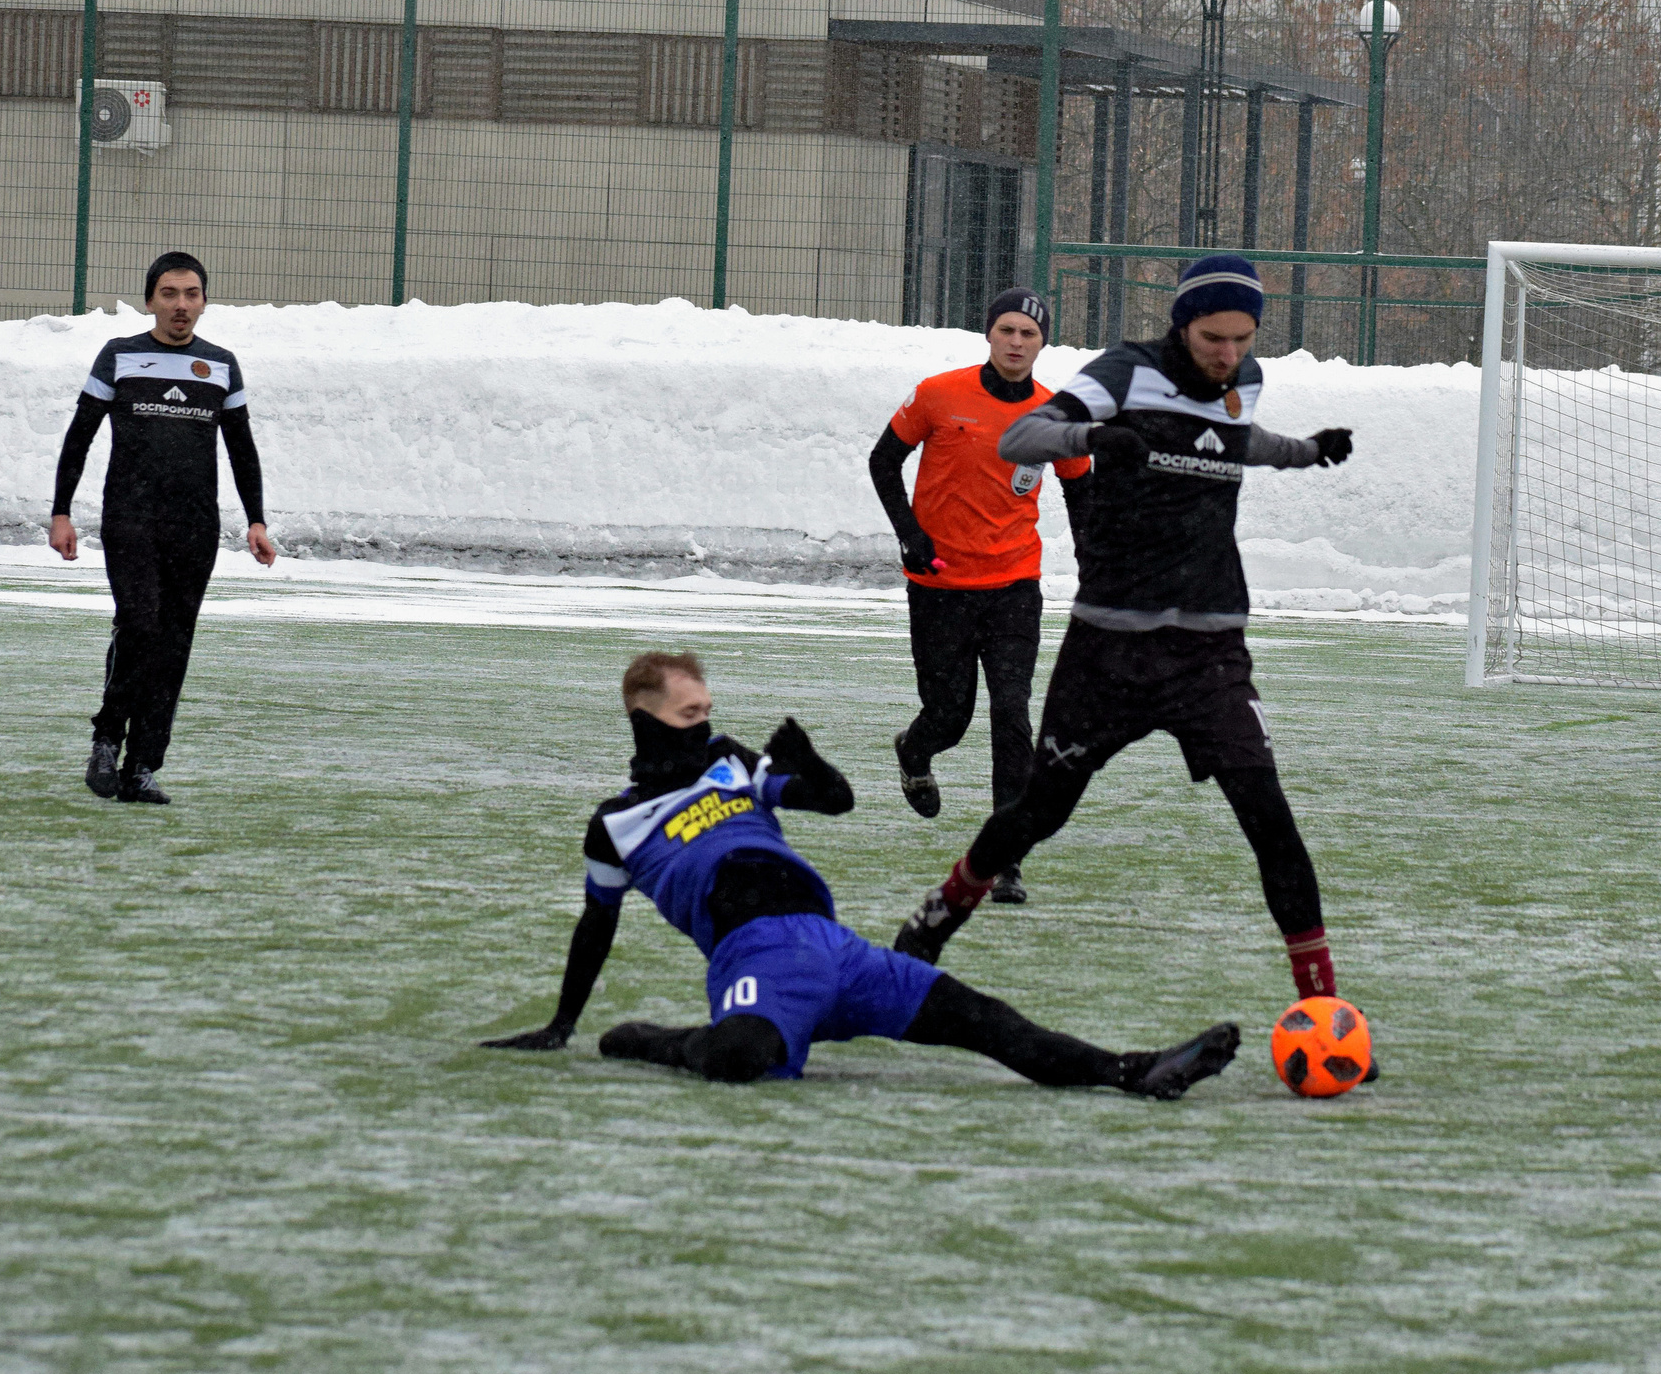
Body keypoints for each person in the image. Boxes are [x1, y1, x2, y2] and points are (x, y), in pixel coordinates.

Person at [890, 255, 1355, 1003]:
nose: (1228, 355)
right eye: (1213, 337)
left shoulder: (1244, 380)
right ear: (1181, 322)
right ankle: (933, 923)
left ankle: (1323, 1001)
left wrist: (1306, 451)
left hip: (1210, 650)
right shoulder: (1124, 373)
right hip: (1109, 647)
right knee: (1038, 812)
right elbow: (1022, 439)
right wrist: (1091, 440)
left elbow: (1237, 441)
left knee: (1270, 818)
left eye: (1243, 338)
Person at [482, 648, 1239, 1098]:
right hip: (755, 959)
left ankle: (1133, 1070)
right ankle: (655, 1040)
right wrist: (562, 1025)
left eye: (709, 709)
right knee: (739, 1057)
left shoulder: (730, 763)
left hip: (836, 949)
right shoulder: (615, 822)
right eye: (688, 715)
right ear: (643, 716)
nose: (705, 726)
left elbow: (835, 800)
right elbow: (596, 924)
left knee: (991, 1022)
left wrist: (808, 766)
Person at [871, 288, 1091, 905]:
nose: (1017, 342)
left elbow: (1082, 491)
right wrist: (911, 537)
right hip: (940, 587)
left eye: (1029, 334)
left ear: (1043, 343)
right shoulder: (939, 394)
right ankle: (915, 750)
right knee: (950, 715)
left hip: (1014, 588)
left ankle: (1005, 858)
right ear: (989, 335)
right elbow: (882, 463)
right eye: (1007, 330)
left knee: (1012, 714)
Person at [50, 251, 278, 804]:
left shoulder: (220, 365)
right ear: (151, 299)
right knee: (140, 623)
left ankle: (143, 765)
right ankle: (106, 739)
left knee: (174, 643)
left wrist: (256, 519)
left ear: (204, 301)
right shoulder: (120, 356)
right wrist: (61, 511)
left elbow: (241, 448)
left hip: (194, 525)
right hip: (129, 517)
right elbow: (79, 435)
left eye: (191, 294)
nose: (181, 305)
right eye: (170, 294)